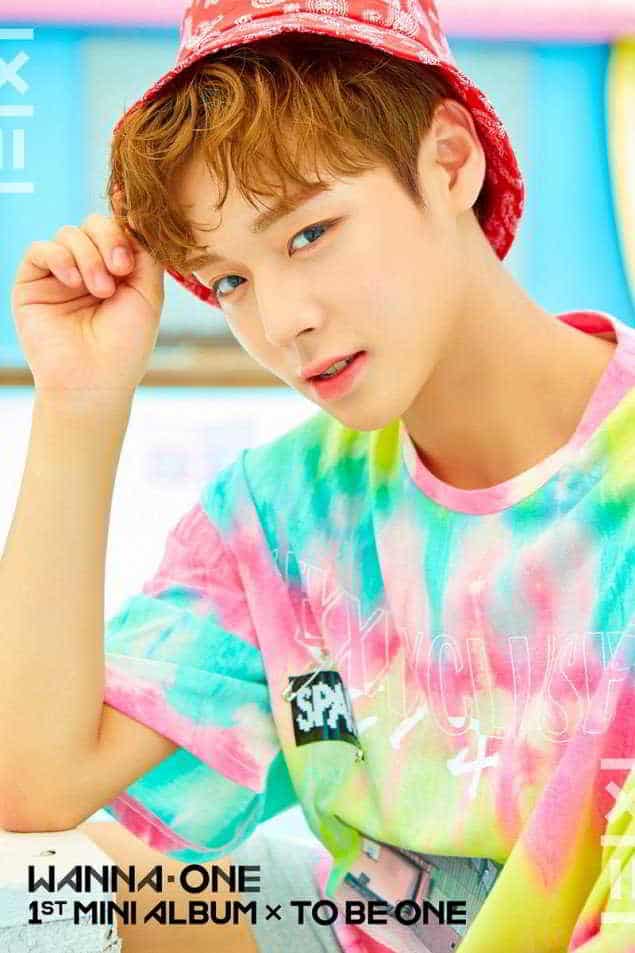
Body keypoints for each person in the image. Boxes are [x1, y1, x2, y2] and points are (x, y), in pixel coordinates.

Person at [3, 0, 634, 950]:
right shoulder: (284, 510)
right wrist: (79, 403)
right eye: (230, 280)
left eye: (308, 234)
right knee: (42, 887)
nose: (281, 321)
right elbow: (34, 784)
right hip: (360, 927)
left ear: (449, 161)